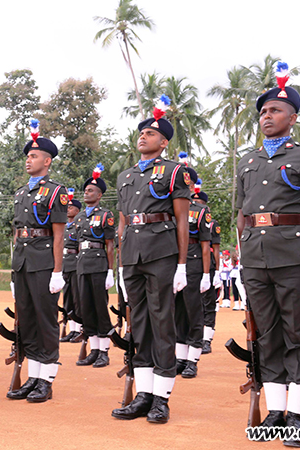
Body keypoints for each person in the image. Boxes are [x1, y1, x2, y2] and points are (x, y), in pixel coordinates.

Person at [236, 63, 300, 446]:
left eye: (274, 111)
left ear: (292, 117)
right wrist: (242, 264)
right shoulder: (247, 161)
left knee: (297, 333)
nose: (266, 117)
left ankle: (296, 413)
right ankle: (275, 409)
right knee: (267, 335)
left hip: (293, 256)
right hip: (255, 259)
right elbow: (242, 217)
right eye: (262, 112)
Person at [110, 95, 190, 424]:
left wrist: (183, 264)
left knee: (162, 323)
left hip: (162, 253)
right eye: (141, 132)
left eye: (151, 133)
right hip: (132, 254)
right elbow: (123, 221)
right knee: (138, 323)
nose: (143, 136)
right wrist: (119, 259)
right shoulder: (125, 176)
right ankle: (143, 394)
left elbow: (182, 220)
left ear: (164, 142)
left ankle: (162, 397)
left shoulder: (175, 173)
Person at [6, 119, 68, 403]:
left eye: (33, 156)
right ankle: (33, 375)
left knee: (45, 320)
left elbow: (58, 235)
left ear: (47, 161)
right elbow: (17, 234)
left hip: (44, 262)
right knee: (27, 320)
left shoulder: (56, 192)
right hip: (22, 263)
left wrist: (58, 271)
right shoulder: (21, 193)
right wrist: (12, 268)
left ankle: (47, 379)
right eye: (27, 156)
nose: (28, 160)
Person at [74, 164, 115, 368]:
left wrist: (110, 270)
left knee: (100, 307)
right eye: (86, 190)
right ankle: (94, 349)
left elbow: (110, 245)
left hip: (99, 263)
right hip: (82, 263)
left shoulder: (106, 215)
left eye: (90, 190)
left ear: (99, 195)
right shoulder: (79, 217)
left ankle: (104, 351)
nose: (86, 193)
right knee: (86, 307)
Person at [174, 169, 211, 379]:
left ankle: (193, 359)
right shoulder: (171, 208)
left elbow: (206, 246)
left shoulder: (199, 211)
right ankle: (180, 358)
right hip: (174, 264)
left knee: (193, 311)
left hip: (194, 264)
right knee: (178, 311)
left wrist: (206, 274)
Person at [191, 188, 221, 355]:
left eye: (199, 203)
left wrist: (216, 271)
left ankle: (207, 339)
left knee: (208, 303)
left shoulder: (211, 222)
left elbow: (215, 248)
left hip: (207, 265)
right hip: (191, 263)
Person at [60, 190, 82, 343]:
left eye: (71, 207)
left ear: (77, 210)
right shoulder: (63, 226)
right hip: (64, 263)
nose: (68, 209)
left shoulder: (79, 225)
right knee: (67, 298)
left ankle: (79, 329)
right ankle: (71, 329)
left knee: (77, 297)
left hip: (75, 263)